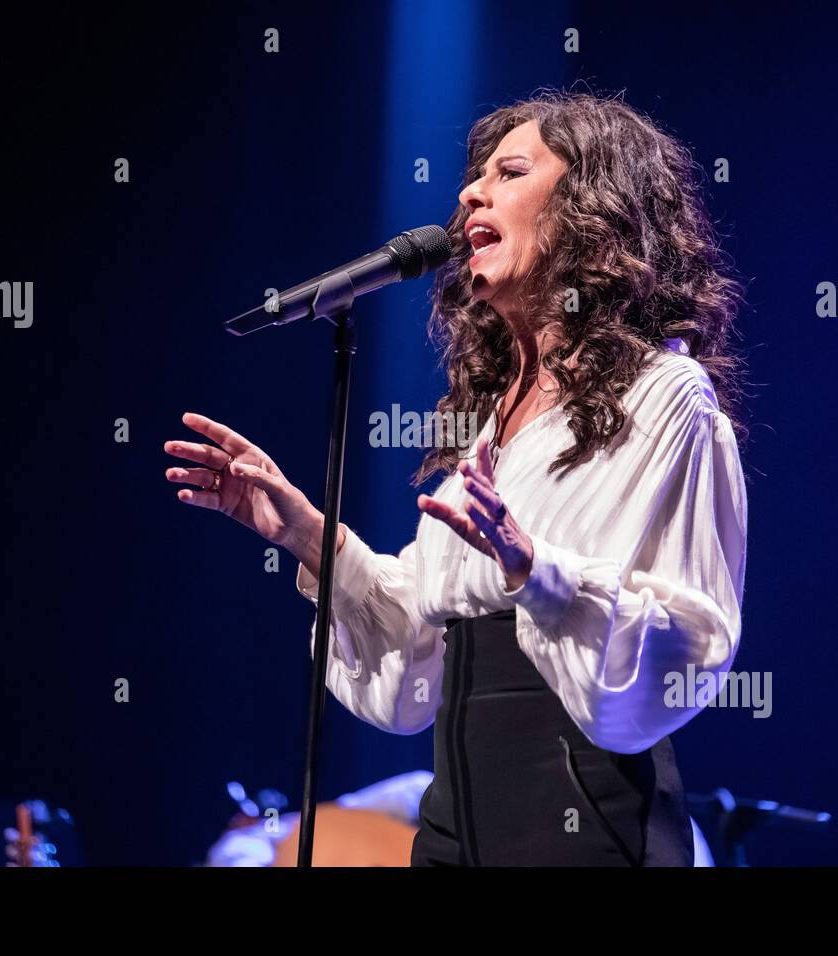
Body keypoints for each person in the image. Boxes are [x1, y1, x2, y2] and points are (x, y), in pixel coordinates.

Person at [165, 89, 748, 866]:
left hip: (585, 820)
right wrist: (305, 531)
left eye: (510, 172)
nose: (471, 191)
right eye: (474, 176)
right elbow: (417, 654)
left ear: (591, 209)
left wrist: (533, 568)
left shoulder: (664, 394)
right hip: (454, 826)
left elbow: (691, 637)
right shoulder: (487, 416)